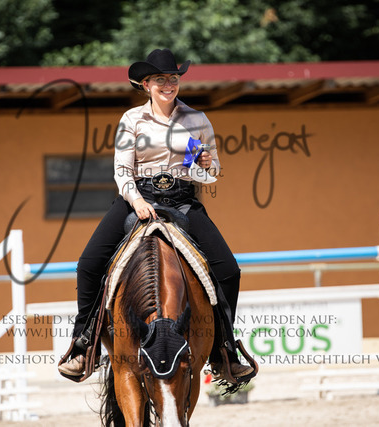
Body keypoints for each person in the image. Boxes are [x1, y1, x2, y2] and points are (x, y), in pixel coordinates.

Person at [58, 48, 253, 380]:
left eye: (173, 78)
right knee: (88, 264)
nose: (168, 84)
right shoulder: (131, 119)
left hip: (182, 200)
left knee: (229, 270)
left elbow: (209, 174)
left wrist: (206, 165)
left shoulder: (197, 119)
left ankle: (224, 351)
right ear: (145, 84)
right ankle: (83, 345)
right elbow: (122, 170)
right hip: (139, 196)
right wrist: (136, 201)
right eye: (160, 79)